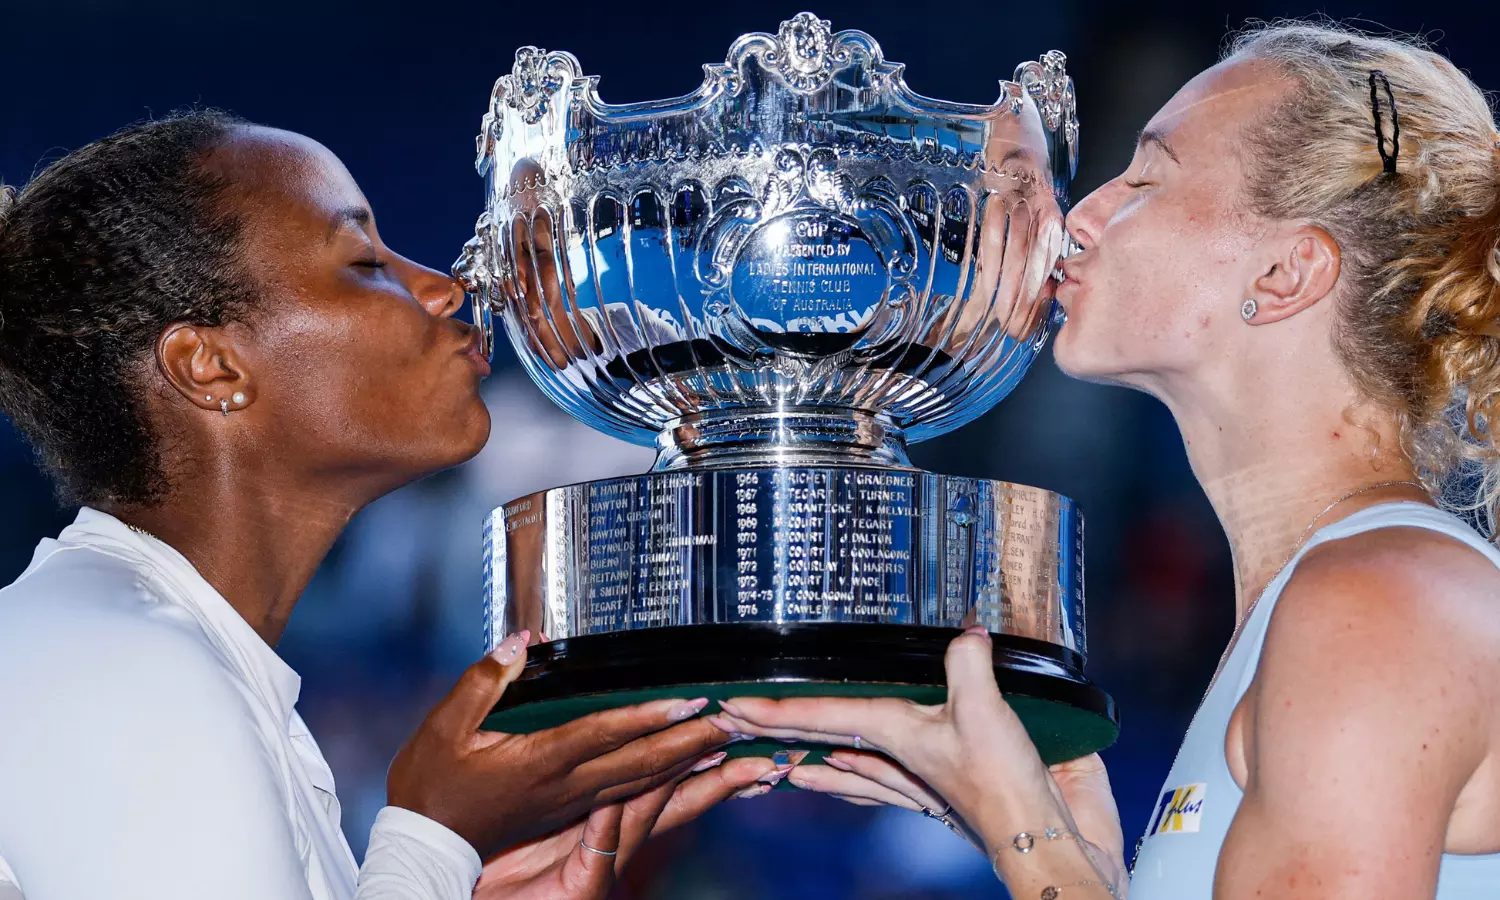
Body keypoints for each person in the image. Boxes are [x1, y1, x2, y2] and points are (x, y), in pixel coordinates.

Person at [705, 21, 1500, 899]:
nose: (1080, 215)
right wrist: (1085, 870)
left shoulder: (1377, 600)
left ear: (1285, 274)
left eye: (1148, 176)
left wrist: (1023, 831)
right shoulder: (1343, 596)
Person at [0, 113, 786, 900]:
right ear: (210, 366)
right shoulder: (128, 661)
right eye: (365, 259)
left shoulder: (157, 648)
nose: (445, 289)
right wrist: (433, 837)